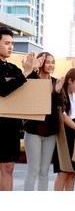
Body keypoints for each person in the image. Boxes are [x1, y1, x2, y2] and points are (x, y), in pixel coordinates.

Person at [0, 26, 42, 191]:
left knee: (9, 166)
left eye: (12, 43)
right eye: (6, 43)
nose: (10, 47)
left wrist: (34, 68)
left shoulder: (12, 68)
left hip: (11, 126)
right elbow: (3, 90)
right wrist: (25, 73)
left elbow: (29, 86)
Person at [23, 52, 65, 191]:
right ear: (40, 62)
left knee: (44, 172)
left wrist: (58, 92)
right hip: (33, 130)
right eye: (47, 62)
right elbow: (36, 102)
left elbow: (61, 107)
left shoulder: (56, 82)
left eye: (53, 62)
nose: (50, 65)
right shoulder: (32, 79)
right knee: (33, 171)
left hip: (51, 132)